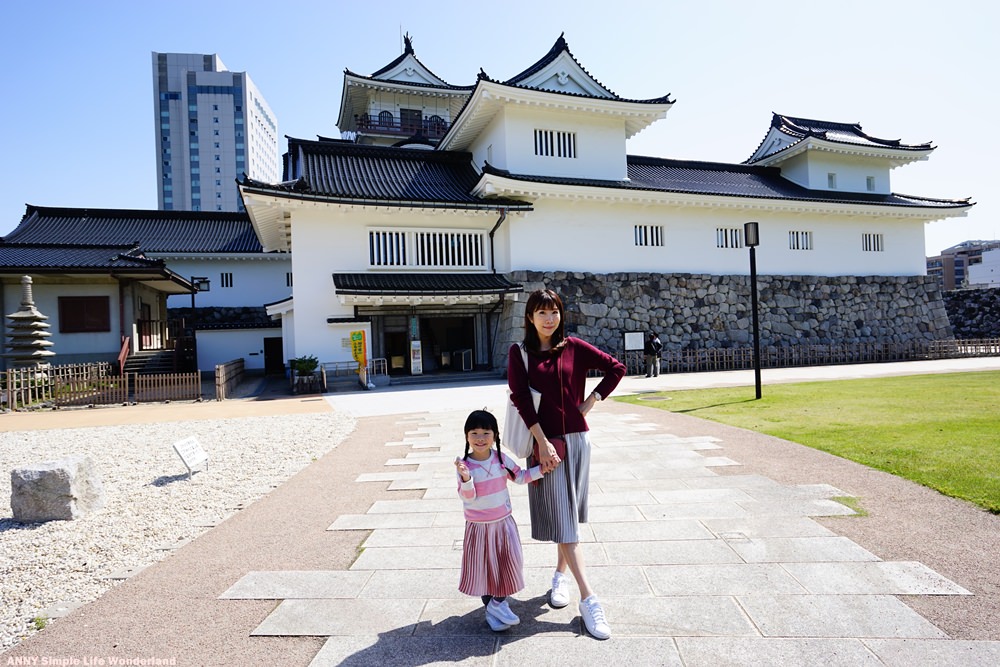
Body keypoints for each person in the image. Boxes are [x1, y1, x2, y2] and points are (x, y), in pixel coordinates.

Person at [507, 288, 626, 640]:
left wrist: (589, 403)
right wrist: (541, 444)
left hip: (578, 441)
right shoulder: (521, 354)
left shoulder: (573, 347)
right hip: (546, 446)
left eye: (555, 311)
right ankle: (589, 599)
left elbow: (615, 368)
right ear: (530, 317)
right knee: (565, 521)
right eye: (542, 312)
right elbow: (521, 400)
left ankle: (559, 578)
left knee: (568, 516)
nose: (549, 318)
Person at [454, 409, 544, 632]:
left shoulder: (501, 460)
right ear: (466, 436)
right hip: (478, 528)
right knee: (485, 569)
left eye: (486, 432)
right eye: (474, 433)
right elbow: (468, 496)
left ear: (495, 436)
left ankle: (497, 603)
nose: (480, 438)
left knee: (507, 563)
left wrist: (542, 470)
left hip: (503, 524)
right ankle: (493, 609)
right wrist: (466, 478)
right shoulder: (465, 465)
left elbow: (521, 477)